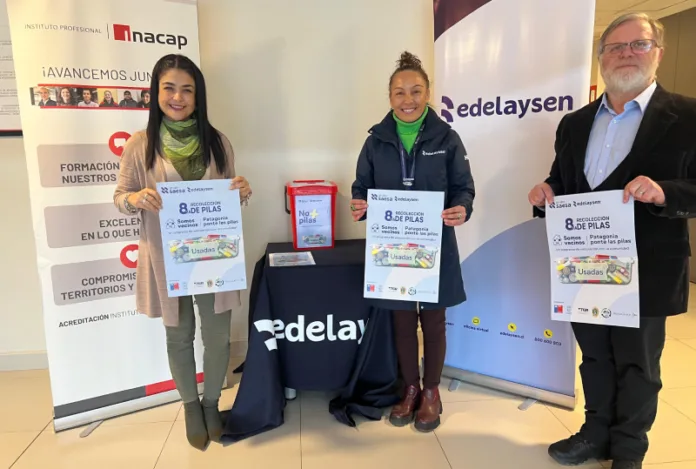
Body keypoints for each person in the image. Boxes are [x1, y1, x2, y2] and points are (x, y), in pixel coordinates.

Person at [528, 13, 696, 469]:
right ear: (601, 58)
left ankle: (628, 450)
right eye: (615, 47)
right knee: (596, 356)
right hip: (584, 265)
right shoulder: (574, 123)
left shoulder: (688, 116)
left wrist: (665, 192)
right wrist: (546, 193)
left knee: (638, 364)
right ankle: (594, 434)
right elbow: (562, 181)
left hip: (649, 267)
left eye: (638, 44)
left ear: (658, 53)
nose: (626, 54)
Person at [114, 54, 252, 451]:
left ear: (198, 95)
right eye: (169, 88)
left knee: (218, 337)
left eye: (187, 90)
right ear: (155, 92)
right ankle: (191, 406)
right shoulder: (140, 145)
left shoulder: (218, 142)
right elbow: (120, 196)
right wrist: (135, 199)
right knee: (179, 335)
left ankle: (211, 403)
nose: (178, 97)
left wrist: (242, 190)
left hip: (213, 257)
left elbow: (228, 195)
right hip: (166, 258)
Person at [350, 51, 475, 433]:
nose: (408, 100)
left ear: (428, 93)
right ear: (389, 97)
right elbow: (361, 186)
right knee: (402, 323)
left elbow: (463, 187)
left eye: (416, 91)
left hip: (435, 246)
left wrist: (462, 208)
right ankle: (410, 389)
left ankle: (431, 392)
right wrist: (359, 204)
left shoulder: (447, 138)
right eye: (400, 92)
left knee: (433, 322)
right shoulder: (376, 141)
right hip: (393, 249)